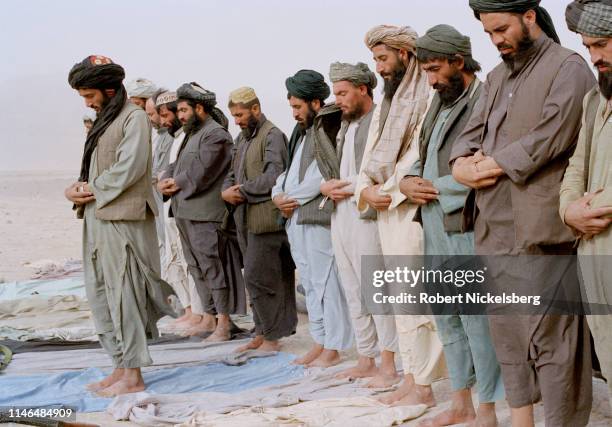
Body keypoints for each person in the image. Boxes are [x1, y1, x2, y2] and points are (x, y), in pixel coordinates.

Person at [450, 2, 596, 425]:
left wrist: (488, 165)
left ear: (529, 16)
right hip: (492, 227)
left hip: (541, 230)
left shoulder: (568, 68)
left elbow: (552, 135)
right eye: (489, 33)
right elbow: (468, 137)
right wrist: (461, 165)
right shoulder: (495, 78)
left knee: (554, 341)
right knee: (508, 334)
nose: (496, 41)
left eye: (501, 29)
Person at [399, 25, 503, 426]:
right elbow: (421, 155)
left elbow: (487, 164)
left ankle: (489, 410)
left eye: (436, 68)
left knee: (478, 321)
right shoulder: (439, 103)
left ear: (459, 61)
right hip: (433, 222)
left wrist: (437, 188)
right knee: (448, 317)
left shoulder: (484, 98)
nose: (430, 78)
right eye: (425, 70)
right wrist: (408, 181)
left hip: (467, 223)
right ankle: (461, 402)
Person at [64, 55, 175, 397]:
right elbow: (94, 171)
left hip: (123, 219)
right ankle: (120, 365)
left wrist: (91, 190)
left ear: (109, 88)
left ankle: (134, 375)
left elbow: (129, 168)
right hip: (97, 217)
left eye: (89, 94)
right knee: (101, 293)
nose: (87, 101)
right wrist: (76, 189)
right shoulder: (103, 120)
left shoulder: (134, 118)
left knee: (125, 294)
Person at [356, 24, 446, 400]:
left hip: (411, 210)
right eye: (374, 59)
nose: (378, 67)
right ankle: (411, 378)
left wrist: (388, 190)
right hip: (385, 210)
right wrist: (365, 189)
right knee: (399, 299)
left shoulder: (427, 94)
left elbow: (417, 156)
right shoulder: (388, 103)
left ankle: (423, 384)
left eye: (383, 58)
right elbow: (371, 154)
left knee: (417, 301)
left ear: (405, 54)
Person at [317, 61, 398, 380]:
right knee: (352, 288)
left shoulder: (381, 118)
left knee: (375, 289)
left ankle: (389, 363)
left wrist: (344, 186)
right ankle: (367, 358)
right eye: (336, 92)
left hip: (367, 212)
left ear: (363, 89)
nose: (338, 99)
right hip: (340, 213)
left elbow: (380, 170)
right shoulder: (345, 125)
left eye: (343, 92)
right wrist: (327, 186)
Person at [271, 70, 354, 361]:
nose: (294, 113)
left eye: (297, 106)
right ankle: (319, 341)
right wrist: (277, 195)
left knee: (326, 282)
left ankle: (334, 346)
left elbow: (322, 176)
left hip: (317, 218)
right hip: (296, 217)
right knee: (308, 280)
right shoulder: (302, 133)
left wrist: (289, 196)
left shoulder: (328, 128)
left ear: (316, 103)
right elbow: (287, 174)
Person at [158, 82, 245, 342]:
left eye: (184, 110)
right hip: (185, 211)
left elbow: (203, 171)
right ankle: (209, 317)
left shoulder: (216, 135)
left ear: (199, 108)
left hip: (206, 215)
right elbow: (176, 166)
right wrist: (165, 178)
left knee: (213, 267)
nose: (180, 115)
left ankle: (224, 322)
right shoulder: (192, 134)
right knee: (196, 267)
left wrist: (177, 183)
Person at [561, 0, 612, 408]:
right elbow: (576, 167)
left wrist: (596, 206)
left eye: (604, 44)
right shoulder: (595, 99)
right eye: (589, 46)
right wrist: (568, 210)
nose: (595, 57)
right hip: (593, 251)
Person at [222, 87, 297, 353]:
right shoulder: (241, 139)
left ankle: (272, 338)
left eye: (240, 114)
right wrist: (227, 190)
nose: (237, 120)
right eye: (234, 116)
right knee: (253, 276)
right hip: (245, 219)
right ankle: (261, 331)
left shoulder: (273, 136)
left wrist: (240, 191)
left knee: (262, 277)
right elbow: (233, 172)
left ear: (255, 108)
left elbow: (274, 176)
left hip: (266, 220)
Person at [152, 90, 204, 330]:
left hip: (184, 207)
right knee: (174, 259)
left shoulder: (189, 138)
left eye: (166, 115)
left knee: (187, 261)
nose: (163, 121)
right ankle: (190, 309)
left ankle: (199, 313)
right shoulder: (176, 139)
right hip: (170, 207)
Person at [145, 90, 174, 278]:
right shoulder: (159, 137)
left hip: (169, 205)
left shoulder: (171, 137)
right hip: (158, 206)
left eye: (151, 114)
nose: (150, 119)